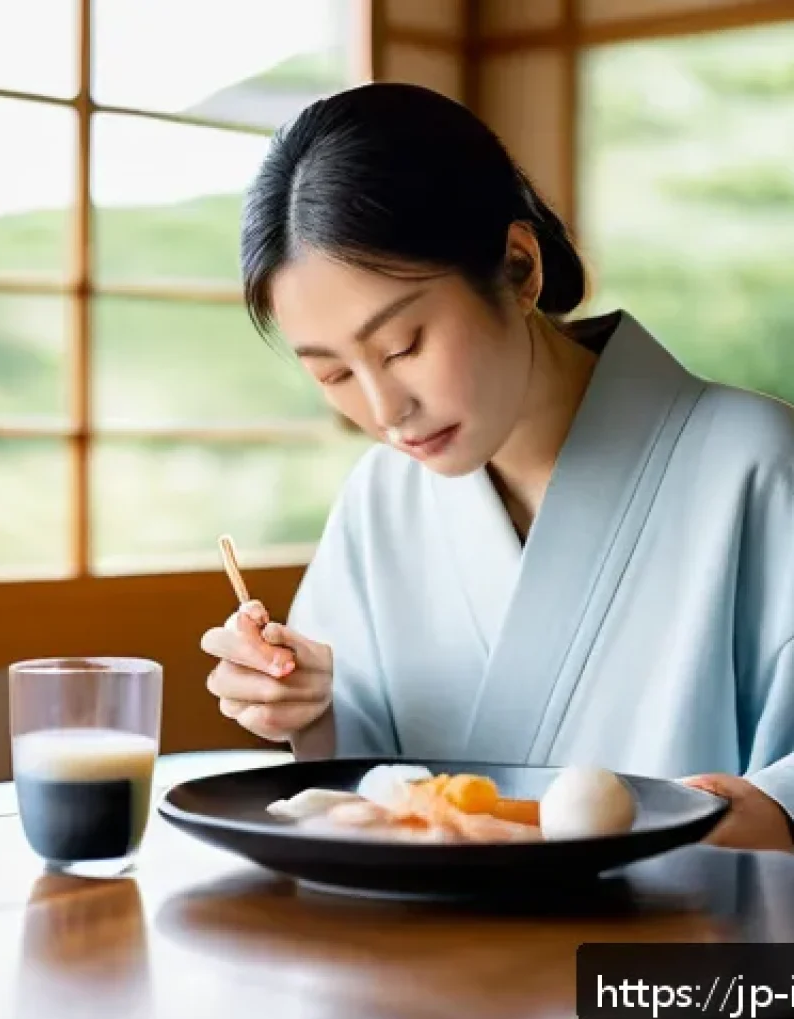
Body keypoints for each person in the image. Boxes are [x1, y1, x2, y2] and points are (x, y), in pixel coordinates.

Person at [200, 82, 794, 853]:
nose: (386, 410)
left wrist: (778, 812)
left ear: (518, 269)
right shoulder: (382, 500)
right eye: (334, 376)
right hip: (425, 958)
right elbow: (360, 784)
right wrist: (306, 704)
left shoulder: (758, 461)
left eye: (404, 345)